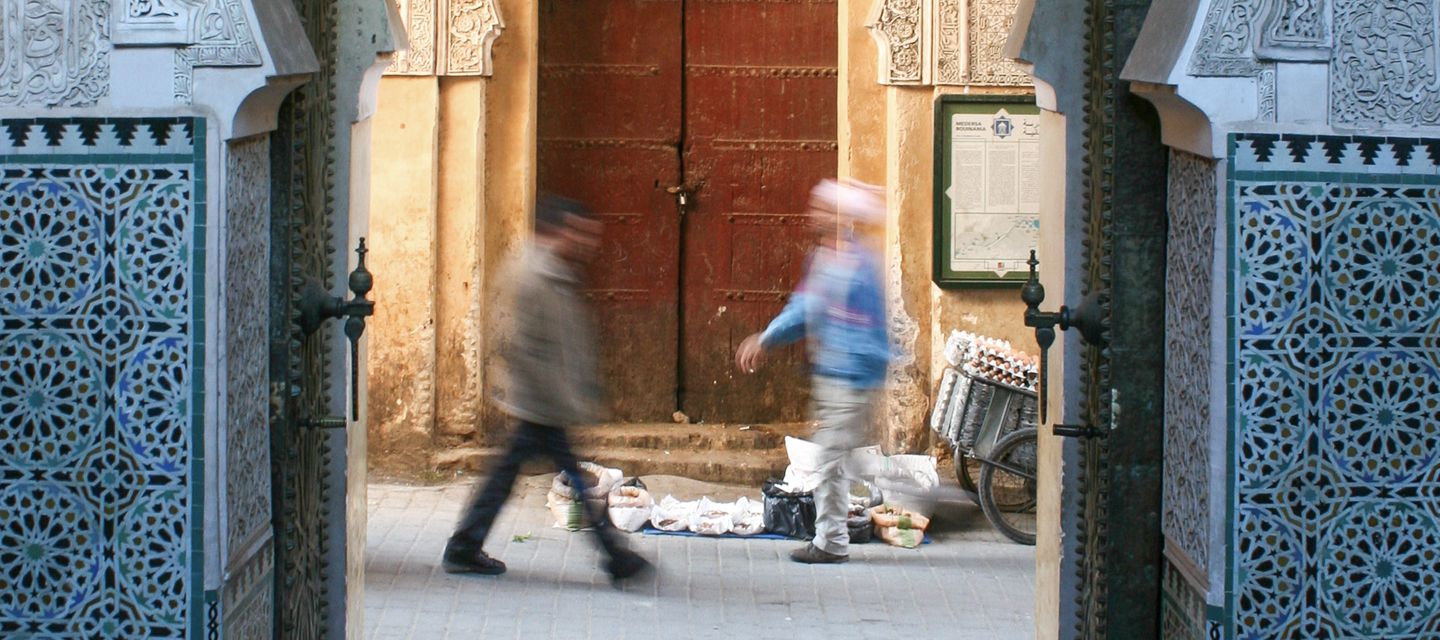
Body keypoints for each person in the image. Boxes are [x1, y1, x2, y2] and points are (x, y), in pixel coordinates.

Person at [443, 194, 651, 583]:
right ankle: (616, 558)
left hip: (543, 401)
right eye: (582, 234)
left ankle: (464, 546)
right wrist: (557, 396)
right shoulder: (533, 276)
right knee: (568, 476)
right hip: (539, 402)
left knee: (507, 476)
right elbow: (516, 342)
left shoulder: (552, 271)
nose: (588, 244)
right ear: (558, 231)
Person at [735, 179, 891, 564]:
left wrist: (766, 340)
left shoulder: (855, 264)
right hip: (836, 374)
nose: (814, 216)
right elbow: (803, 308)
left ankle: (831, 542)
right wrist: (769, 338)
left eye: (822, 210)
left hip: (849, 376)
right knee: (835, 457)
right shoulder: (829, 259)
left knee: (831, 459)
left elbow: (859, 324)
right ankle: (833, 535)